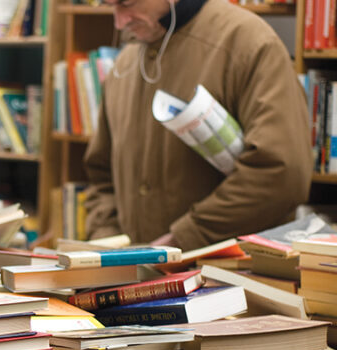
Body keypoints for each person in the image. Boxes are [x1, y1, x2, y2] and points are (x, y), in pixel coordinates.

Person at [83, 0, 312, 251]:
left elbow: (281, 173)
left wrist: (187, 236)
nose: (119, 22)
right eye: (110, 5)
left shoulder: (248, 43)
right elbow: (101, 178)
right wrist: (107, 247)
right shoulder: (124, 66)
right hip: (132, 278)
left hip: (229, 277)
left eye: (127, 3)